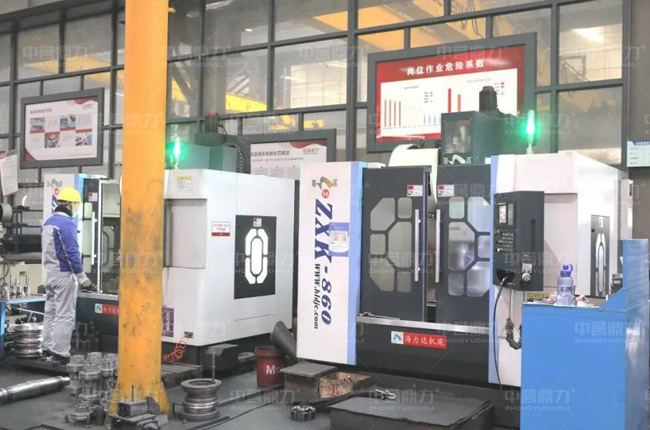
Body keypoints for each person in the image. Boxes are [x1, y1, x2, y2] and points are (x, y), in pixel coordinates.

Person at [41, 187, 95, 364]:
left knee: (50, 313)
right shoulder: (67, 224)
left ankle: (46, 348)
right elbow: (71, 252)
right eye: (77, 205)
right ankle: (60, 353)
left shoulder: (49, 222)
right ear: (71, 204)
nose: (77, 208)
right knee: (64, 315)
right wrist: (82, 278)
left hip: (50, 274)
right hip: (64, 276)